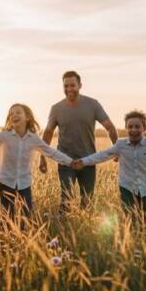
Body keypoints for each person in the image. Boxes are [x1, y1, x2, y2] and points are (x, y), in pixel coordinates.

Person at [0, 104, 73, 222]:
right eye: (11, 114)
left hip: (24, 183)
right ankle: (8, 236)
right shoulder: (5, 135)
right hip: (6, 181)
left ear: (27, 117)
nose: (14, 115)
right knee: (7, 216)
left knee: (27, 216)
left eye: (18, 112)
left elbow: (51, 152)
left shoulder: (33, 138)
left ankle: (24, 236)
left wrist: (70, 162)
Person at [71, 110, 146, 224]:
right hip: (126, 187)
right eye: (130, 127)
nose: (133, 130)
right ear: (126, 128)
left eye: (137, 127)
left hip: (145, 188)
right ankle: (130, 236)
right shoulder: (120, 145)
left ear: (144, 128)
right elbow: (102, 155)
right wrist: (83, 162)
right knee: (129, 217)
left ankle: (144, 236)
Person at [39, 71, 118, 213]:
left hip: (88, 160)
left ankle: (84, 231)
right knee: (66, 198)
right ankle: (64, 231)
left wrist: (116, 148)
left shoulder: (93, 104)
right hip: (65, 160)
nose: (69, 89)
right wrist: (42, 157)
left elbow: (109, 127)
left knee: (87, 201)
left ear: (80, 85)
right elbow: (48, 132)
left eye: (72, 85)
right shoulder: (56, 108)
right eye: (66, 86)